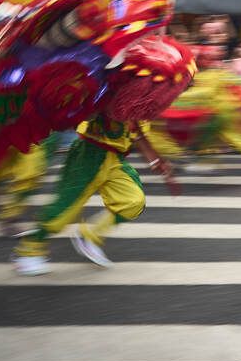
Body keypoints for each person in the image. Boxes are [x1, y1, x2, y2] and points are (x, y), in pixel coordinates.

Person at [11, 113, 173, 275]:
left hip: (115, 158)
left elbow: (137, 134)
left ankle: (90, 237)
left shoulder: (142, 100)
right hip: (88, 155)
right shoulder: (110, 90)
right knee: (64, 211)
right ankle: (30, 249)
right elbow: (85, 114)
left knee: (133, 202)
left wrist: (155, 160)